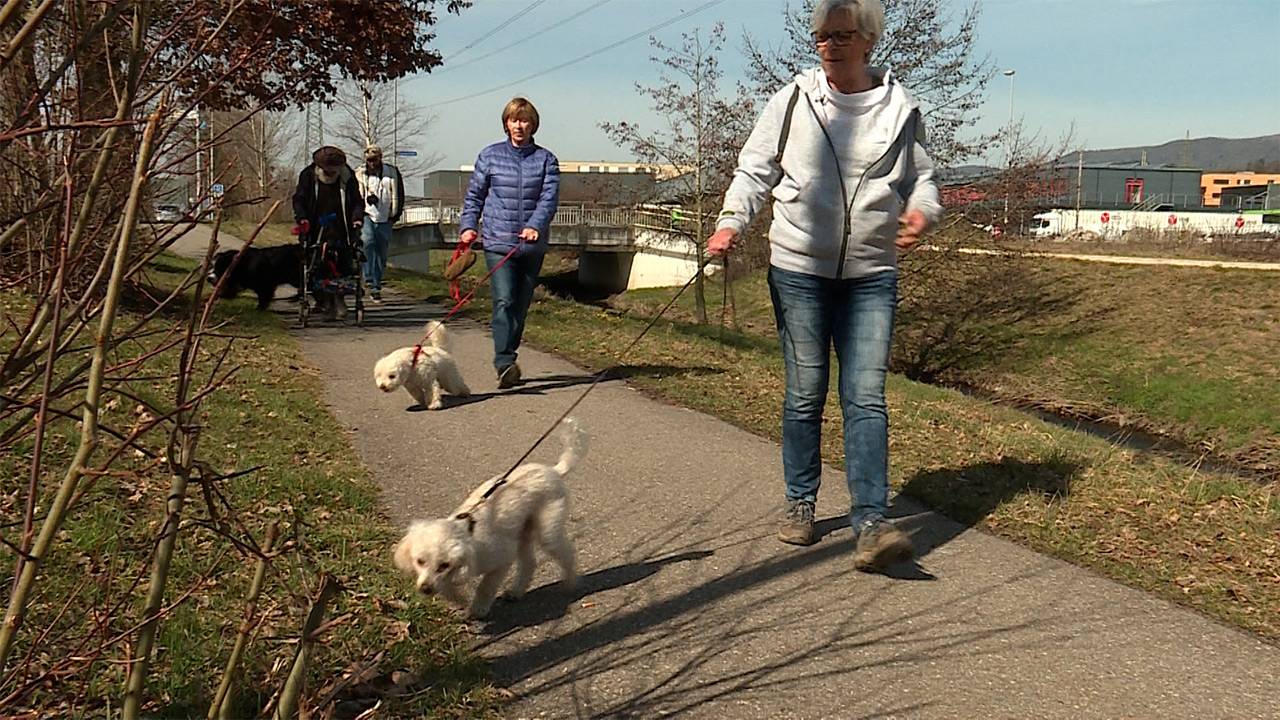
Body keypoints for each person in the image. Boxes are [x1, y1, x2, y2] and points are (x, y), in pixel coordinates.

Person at [706, 0, 942, 571]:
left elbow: (924, 180)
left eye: (841, 36)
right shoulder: (792, 101)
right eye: (821, 37)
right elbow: (754, 169)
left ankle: (869, 523)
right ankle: (800, 504)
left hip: (871, 274)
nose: (828, 46)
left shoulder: (900, 110)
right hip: (799, 269)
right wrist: (730, 222)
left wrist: (921, 214)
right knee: (805, 391)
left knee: (865, 398)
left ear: (867, 41)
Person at [459, 97, 560, 389]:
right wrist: (468, 227)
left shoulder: (546, 160)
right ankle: (504, 362)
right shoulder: (489, 156)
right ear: (506, 123)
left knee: (520, 305)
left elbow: (548, 199)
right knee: (503, 300)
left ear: (533, 125)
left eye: (524, 120)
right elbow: (475, 196)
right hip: (498, 242)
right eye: (514, 120)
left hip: (531, 245)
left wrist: (535, 226)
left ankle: (509, 354)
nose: (519, 125)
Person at [292, 145, 364, 321]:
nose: (331, 174)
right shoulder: (308, 176)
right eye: (328, 170)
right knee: (315, 264)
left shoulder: (347, 176)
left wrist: (357, 218)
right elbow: (299, 199)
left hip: (342, 226)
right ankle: (323, 300)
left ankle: (339, 299)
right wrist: (302, 219)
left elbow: (356, 201)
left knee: (343, 264)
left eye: (335, 170)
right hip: (315, 226)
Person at [356, 144, 405, 303]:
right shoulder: (359, 174)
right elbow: (355, 196)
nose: (372, 163)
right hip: (367, 215)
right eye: (369, 160)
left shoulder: (392, 173)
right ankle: (368, 278)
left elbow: (400, 194)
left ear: (380, 158)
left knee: (381, 253)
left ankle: (376, 286)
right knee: (367, 242)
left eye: (374, 160)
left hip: (386, 218)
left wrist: (395, 215)